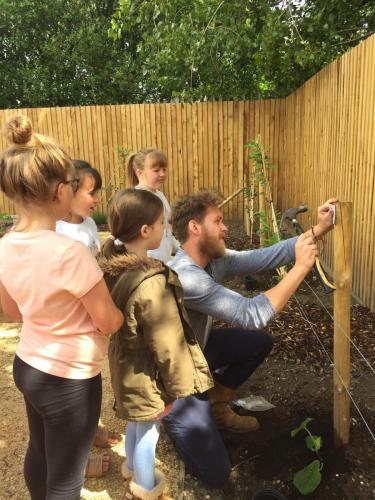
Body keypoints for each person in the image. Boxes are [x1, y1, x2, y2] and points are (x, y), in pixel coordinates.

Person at [162, 189, 336, 488]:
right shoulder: (187, 277)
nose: (225, 227)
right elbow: (250, 314)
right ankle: (179, 417)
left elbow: (262, 257)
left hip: (196, 351)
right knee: (215, 475)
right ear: (194, 227)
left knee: (258, 343)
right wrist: (301, 269)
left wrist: (318, 230)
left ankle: (216, 404)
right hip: (175, 377)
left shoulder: (213, 260)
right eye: (217, 221)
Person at [0, 116, 124, 499]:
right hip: (70, 382)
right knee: (67, 481)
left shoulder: (4, 244)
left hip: (29, 368)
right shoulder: (71, 253)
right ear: (58, 191)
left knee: (39, 451)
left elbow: (12, 312)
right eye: (72, 184)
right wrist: (120, 310)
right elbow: (107, 323)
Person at [98, 188, 213, 500]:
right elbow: (167, 343)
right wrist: (177, 388)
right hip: (146, 371)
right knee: (150, 431)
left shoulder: (112, 265)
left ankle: (133, 469)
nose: (166, 230)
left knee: (137, 420)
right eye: (162, 224)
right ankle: (146, 488)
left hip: (124, 363)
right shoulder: (151, 282)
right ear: (146, 230)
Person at [56, 159, 120, 476]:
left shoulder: (89, 224)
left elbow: (97, 263)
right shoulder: (56, 232)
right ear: (67, 191)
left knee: (92, 382)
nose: (96, 199)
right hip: (72, 327)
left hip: (92, 320)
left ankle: (92, 430)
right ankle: (78, 460)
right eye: (90, 192)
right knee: (75, 395)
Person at [127, 148, 179, 263]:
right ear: (140, 173)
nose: (162, 174)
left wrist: (179, 248)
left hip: (165, 261)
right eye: (156, 170)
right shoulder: (136, 200)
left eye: (164, 169)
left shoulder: (160, 195)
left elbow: (167, 230)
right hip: (148, 264)